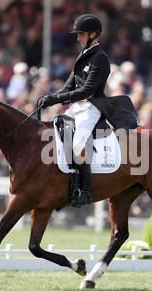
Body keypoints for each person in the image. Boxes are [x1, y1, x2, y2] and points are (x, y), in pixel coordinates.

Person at [39, 14, 110, 208]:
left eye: (81, 34)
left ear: (93, 34)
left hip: (91, 107)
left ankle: (86, 190)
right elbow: (69, 86)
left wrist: (58, 99)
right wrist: (50, 98)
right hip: (76, 107)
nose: (78, 38)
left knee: (77, 145)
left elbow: (87, 90)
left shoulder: (100, 58)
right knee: (55, 133)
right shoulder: (82, 55)